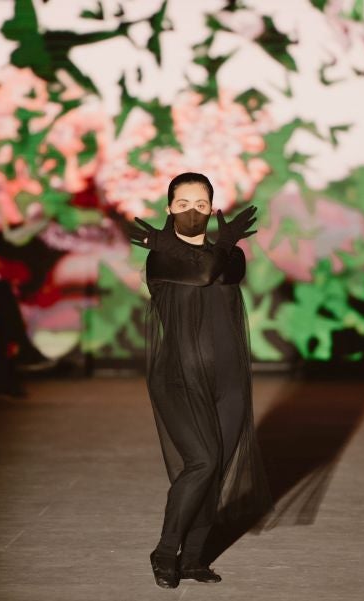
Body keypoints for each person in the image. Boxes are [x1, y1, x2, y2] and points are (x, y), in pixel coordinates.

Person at [128, 172, 272, 589]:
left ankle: (192, 558)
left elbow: (218, 269)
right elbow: (201, 273)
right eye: (184, 203)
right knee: (202, 461)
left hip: (228, 380)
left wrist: (224, 245)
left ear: (213, 209)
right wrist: (213, 243)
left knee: (218, 468)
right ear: (169, 207)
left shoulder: (229, 255)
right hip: (179, 378)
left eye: (201, 204)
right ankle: (164, 550)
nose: (193, 211)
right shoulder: (159, 258)